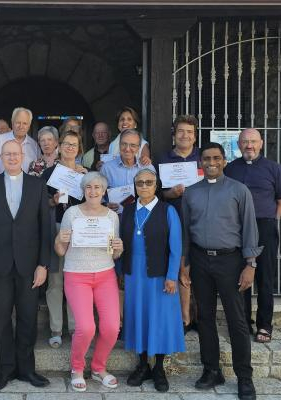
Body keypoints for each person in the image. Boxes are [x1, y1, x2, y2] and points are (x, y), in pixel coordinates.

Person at [180, 142, 260, 400]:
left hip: (230, 261)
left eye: (216, 158)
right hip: (200, 260)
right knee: (204, 317)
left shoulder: (239, 190)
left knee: (237, 320)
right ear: (200, 162)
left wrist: (250, 265)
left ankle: (244, 377)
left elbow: (249, 228)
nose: (211, 162)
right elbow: (185, 231)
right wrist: (185, 263)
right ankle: (212, 370)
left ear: (224, 160)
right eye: (206, 158)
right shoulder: (191, 193)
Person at [0, 140, 52, 392]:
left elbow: (45, 227)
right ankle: (5, 370)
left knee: (28, 317)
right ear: (0, 157)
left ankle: (27, 369)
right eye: (7, 154)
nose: (12, 157)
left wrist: (43, 264)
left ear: (23, 156)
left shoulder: (37, 185)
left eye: (15, 153)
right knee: (1, 319)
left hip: (29, 265)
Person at [54, 172, 123, 392]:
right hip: (77, 275)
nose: (93, 191)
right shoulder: (72, 213)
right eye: (88, 187)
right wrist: (59, 239)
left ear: (104, 191)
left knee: (112, 327)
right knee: (85, 327)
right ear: (83, 190)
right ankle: (76, 368)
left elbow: (114, 254)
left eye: (97, 187)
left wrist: (119, 248)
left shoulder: (112, 216)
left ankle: (98, 368)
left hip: (105, 275)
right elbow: (60, 251)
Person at [120, 169, 185, 392]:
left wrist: (172, 276)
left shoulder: (168, 211)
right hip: (133, 275)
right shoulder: (128, 211)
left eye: (149, 182)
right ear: (135, 186)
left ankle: (158, 368)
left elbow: (176, 247)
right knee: (139, 316)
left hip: (160, 275)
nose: (144, 186)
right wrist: (120, 271)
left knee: (159, 319)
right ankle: (142, 365)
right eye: (140, 183)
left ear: (156, 185)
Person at [224, 128, 281, 344]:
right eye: (245, 142)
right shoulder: (230, 169)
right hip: (237, 229)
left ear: (261, 143)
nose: (249, 146)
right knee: (239, 277)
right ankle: (243, 323)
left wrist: (269, 222)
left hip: (264, 228)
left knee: (265, 277)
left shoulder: (274, 169)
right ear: (238, 144)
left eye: (253, 141)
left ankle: (264, 324)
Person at [154, 115, 202, 334]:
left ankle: (199, 317)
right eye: (181, 131)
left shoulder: (202, 157)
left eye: (190, 132)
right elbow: (154, 193)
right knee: (182, 267)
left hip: (202, 221)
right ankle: (184, 318)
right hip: (174, 220)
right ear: (174, 134)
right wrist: (169, 194)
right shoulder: (162, 159)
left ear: (195, 136)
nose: (185, 135)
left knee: (201, 270)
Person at [39, 131, 86, 348]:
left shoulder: (85, 174)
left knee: (76, 280)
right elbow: (39, 203)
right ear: (59, 146)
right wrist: (53, 201)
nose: (69, 148)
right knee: (55, 281)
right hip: (56, 228)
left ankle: (75, 328)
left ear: (79, 149)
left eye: (74, 144)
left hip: (80, 231)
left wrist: (86, 180)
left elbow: (94, 200)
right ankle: (56, 329)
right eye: (66, 143)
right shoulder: (49, 174)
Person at [100, 129, 154, 214]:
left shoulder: (148, 167)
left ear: (138, 148)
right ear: (119, 145)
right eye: (124, 144)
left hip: (142, 215)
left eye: (133, 145)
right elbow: (98, 194)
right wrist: (105, 204)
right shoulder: (107, 169)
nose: (127, 149)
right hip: (116, 217)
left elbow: (156, 193)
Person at [0, 107, 41, 175]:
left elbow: (38, 171)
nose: (21, 126)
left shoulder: (34, 146)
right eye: (18, 122)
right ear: (12, 123)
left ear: (29, 126)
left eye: (25, 123)